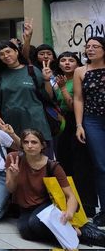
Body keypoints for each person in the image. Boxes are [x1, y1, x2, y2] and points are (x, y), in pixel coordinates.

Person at [5, 129, 80, 244]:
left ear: (42, 146)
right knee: (26, 232)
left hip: (46, 206)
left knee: (35, 223)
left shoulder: (52, 166)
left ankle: (72, 231)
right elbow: (10, 189)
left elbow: (71, 196)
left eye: (34, 142)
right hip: (25, 209)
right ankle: (67, 232)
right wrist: (14, 176)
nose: (29, 146)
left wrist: (69, 212)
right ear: (22, 145)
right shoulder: (13, 158)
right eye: (26, 142)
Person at [52, 51, 98, 219]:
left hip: (78, 123)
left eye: (71, 60)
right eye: (63, 60)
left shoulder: (79, 79)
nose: (67, 63)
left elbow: (73, 106)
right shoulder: (57, 81)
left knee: (82, 166)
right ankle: (70, 202)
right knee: (65, 164)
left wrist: (64, 88)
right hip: (62, 126)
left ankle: (87, 205)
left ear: (78, 63)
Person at [0, 41, 54, 157]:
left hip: (36, 122)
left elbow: (48, 96)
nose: (6, 56)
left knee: (43, 161)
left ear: (16, 51)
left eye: (8, 51)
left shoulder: (32, 70)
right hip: (11, 126)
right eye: (1, 54)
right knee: (17, 164)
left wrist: (46, 80)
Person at [74, 36, 105, 227]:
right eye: (87, 46)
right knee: (101, 166)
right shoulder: (80, 71)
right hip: (92, 121)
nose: (90, 49)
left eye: (95, 46)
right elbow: (78, 99)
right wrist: (79, 125)